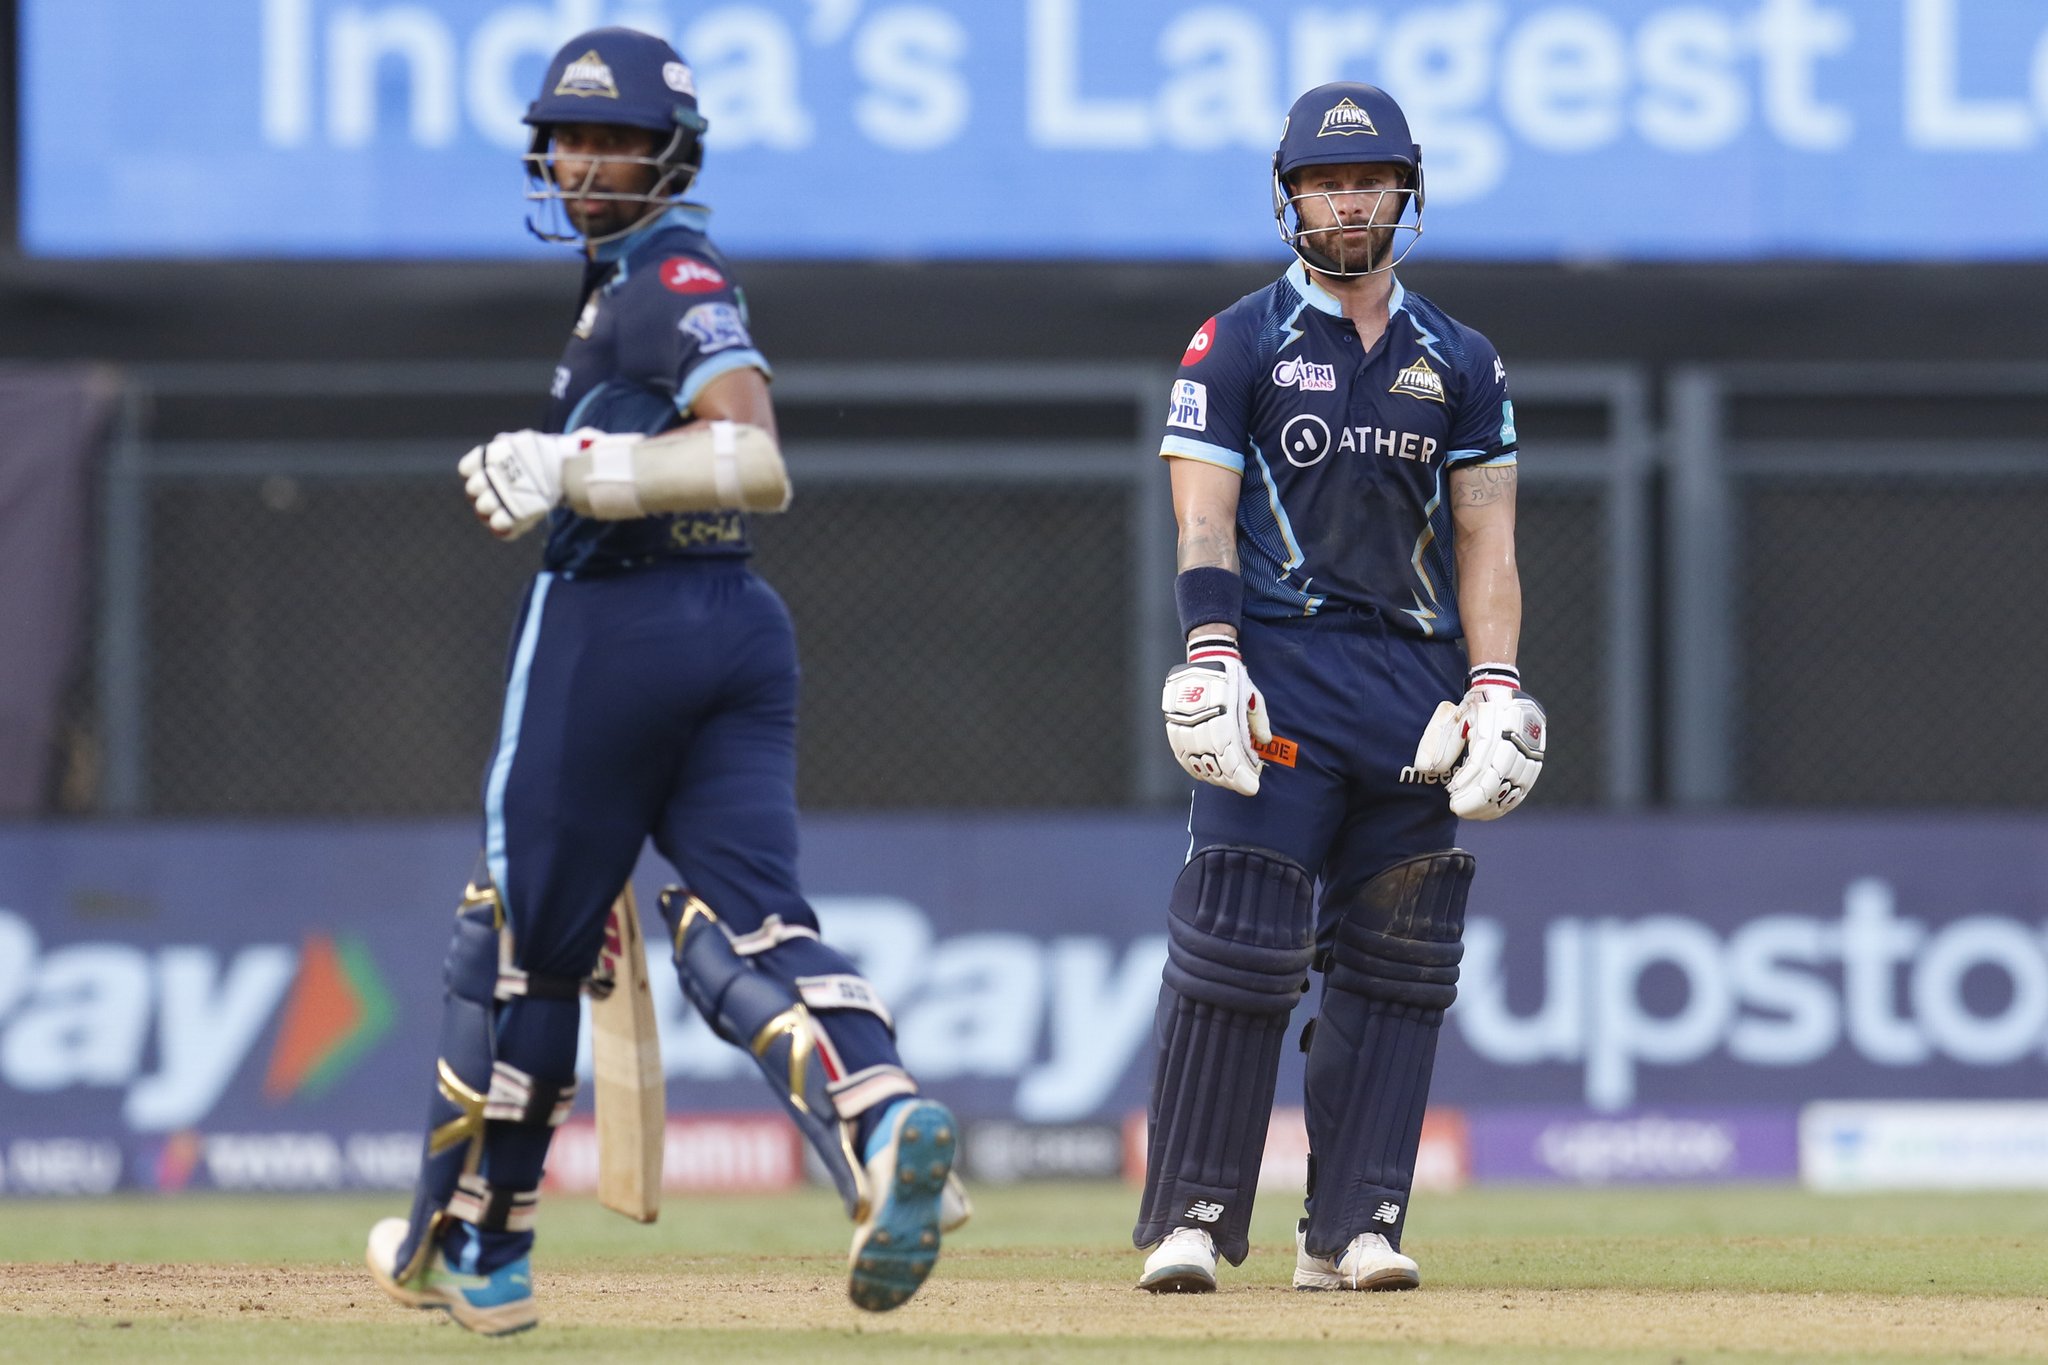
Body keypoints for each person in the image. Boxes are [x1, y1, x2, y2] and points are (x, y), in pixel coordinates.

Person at [362, 27, 961, 1335]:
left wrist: (571, 470)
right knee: (745, 922)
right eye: (570, 140)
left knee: (515, 945)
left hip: (613, 626)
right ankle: (883, 1117)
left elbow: (755, 458)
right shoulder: (635, 286)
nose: (586, 164)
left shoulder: (660, 277)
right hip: (736, 625)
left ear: (670, 156)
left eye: (614, 141)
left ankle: (475, 1247)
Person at [1133, 81, 1545, 1295]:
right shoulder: (1237, 340)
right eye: (1322, 183)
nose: (1346, 202)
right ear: (1289, 198)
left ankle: (1352, 1226)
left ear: (1404, 195)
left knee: (1396, 957)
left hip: (1412, 684)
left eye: (1366, 182)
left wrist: (1494, 683)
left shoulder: (1458, 359)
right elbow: (1201, 520)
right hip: (1279, 672)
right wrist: (1211, 653)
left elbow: (1485, 542)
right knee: (1238, 944)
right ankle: (1192, 1217)